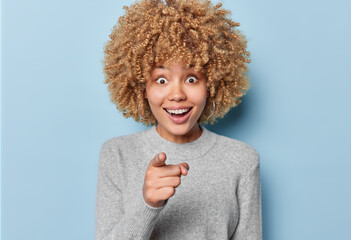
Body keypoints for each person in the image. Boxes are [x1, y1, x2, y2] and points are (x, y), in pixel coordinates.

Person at [95, 0, 262, 239]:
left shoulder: (243, 160)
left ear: (212, 84)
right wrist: (147, 204)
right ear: (142, 87)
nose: (177, 95)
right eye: (161, 80)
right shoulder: (117, 154)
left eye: (192, 78)